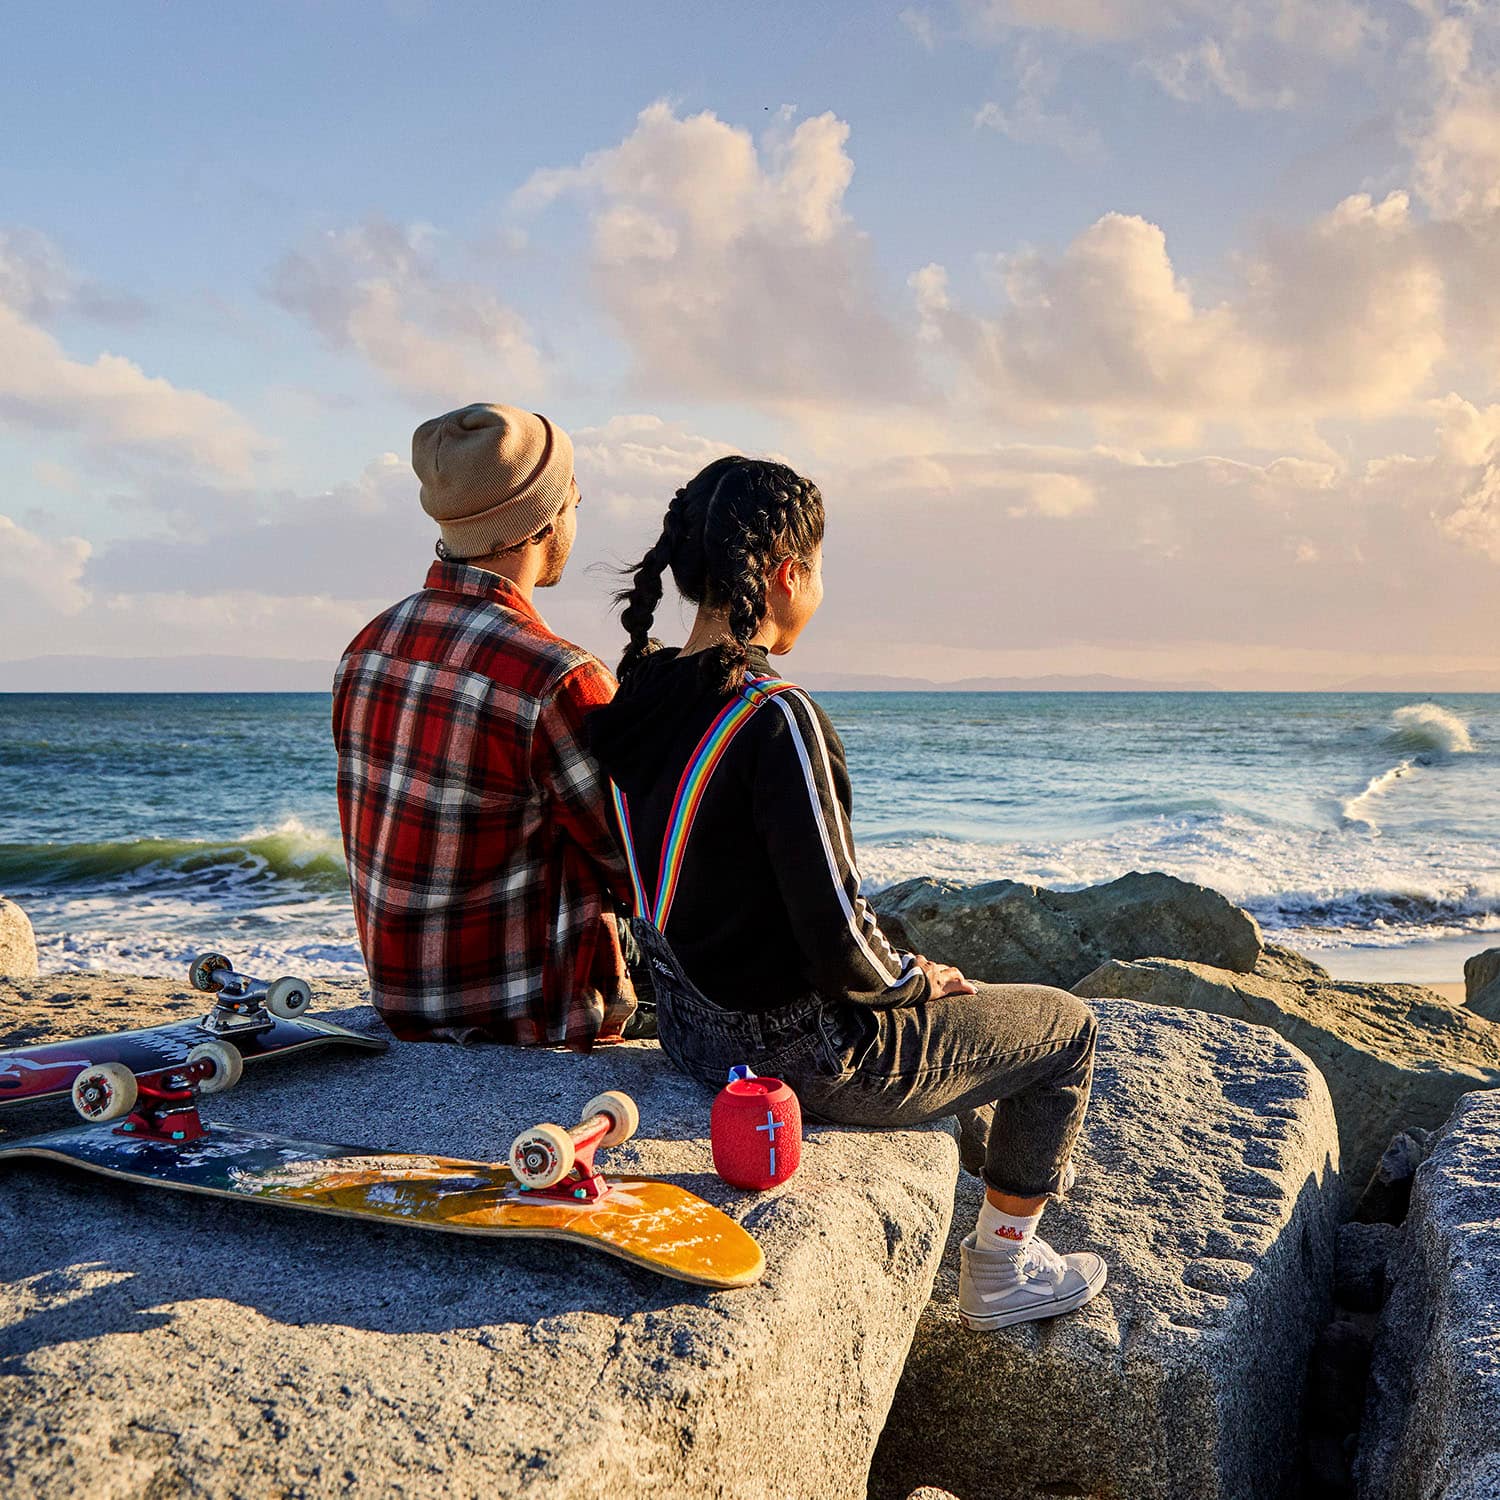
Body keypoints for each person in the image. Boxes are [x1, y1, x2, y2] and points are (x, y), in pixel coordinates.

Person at [587, 455, 1107, 1329]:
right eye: (821, 569)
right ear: (787, 573)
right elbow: (838, 946)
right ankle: (1001, 1270)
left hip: (689, 1031)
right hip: (810, 1056)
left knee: (899, 938)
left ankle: (975, 1139)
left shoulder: (638, 698)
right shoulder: (776, 715)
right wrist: (912, 981)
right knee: (1065, 1030)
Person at [332, 403, 636, 1050]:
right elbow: (640, 870)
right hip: (526, 1018)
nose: (578, 511)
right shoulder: (558, 679)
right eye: (574, 496)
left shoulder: (366, 649)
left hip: (403, 1003)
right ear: (543, 521)